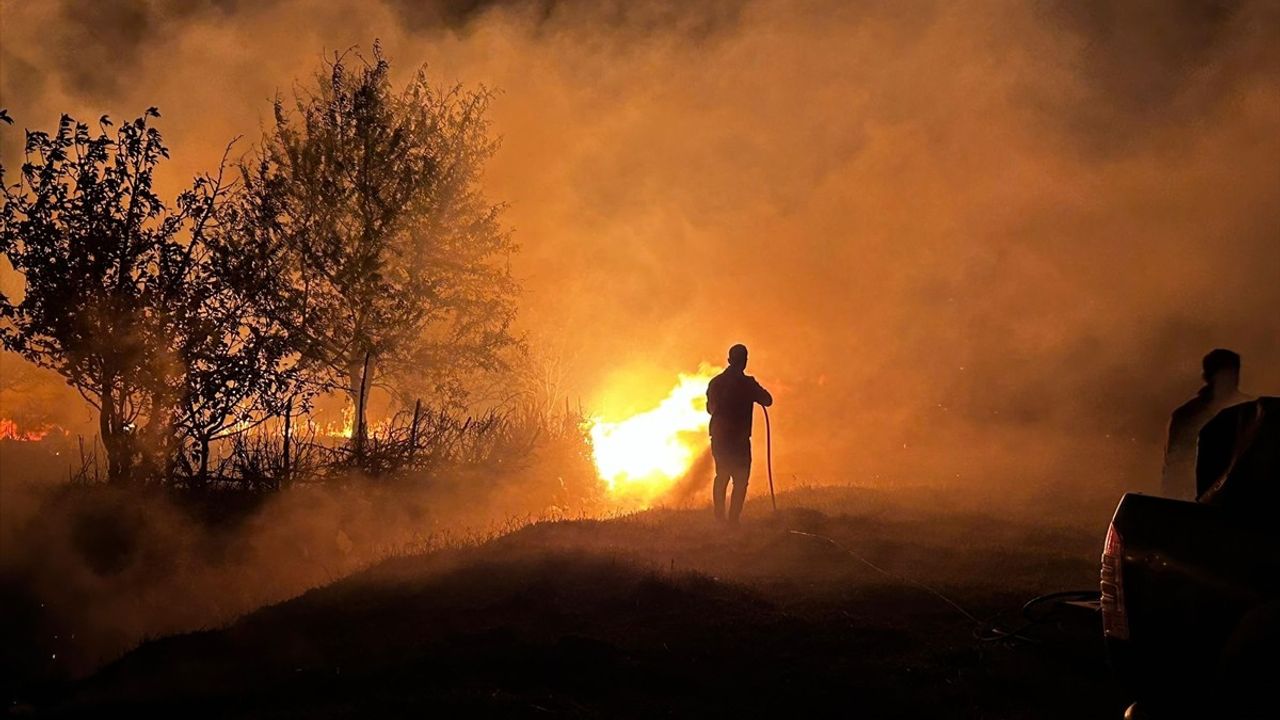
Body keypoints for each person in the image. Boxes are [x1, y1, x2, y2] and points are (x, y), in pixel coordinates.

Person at [1161, 349, 1252, 500]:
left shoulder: (1251, 411)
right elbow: (1175, 468)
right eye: (1224, 375)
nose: (1229, 380)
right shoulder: (1186, 418)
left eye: (1232, 374)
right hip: (1198, 499)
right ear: (1208, 377)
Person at [706, 343, 772, 525]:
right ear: (744, 362)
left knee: (722, 475)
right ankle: (733, 520)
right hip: (739, 440)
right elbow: (768, 400)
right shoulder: (748, 384)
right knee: (740, 479)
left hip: (720, 438)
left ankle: (720, 519)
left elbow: (709, 409)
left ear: (729, 360)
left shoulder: (716, 382)